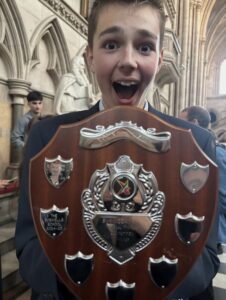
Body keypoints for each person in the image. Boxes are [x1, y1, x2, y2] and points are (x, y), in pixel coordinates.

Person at [16, 1, 220, 299]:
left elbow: (205, 258)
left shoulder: (195, 143)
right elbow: (30, 249)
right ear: (89, 57)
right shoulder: (48, 138)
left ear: (161, 58)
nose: (128, 60)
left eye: (145, 47)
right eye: (111, 44)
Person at [54, 43, 96, 115]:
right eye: (82, 65)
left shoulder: (84, 80)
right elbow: (65, 103)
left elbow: (90, 98)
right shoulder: (68, 78)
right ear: (76, 65)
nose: (83, 68)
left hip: (86, 112)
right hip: (76, 113)